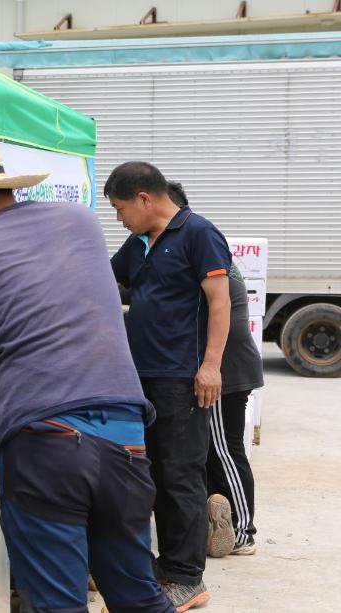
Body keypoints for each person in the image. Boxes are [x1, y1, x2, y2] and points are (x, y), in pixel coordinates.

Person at [0, 130, 174, 613]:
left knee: (58, 605)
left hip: (44, 447)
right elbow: (56, 302)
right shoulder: (80, 223)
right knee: (138, 598)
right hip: (127, 436)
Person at [107, 163, 232, 611]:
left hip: (184, 377)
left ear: (144, 198)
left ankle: (186, 576)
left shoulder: (198, 233)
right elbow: (107, 281)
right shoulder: (139, 242)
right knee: (152, 472)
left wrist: (211, 367)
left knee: (181, 474)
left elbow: (220, 303)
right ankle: (166, 563)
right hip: (140, 377)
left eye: (121, 209)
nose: (120, 218)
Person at [168, 181, 262, 558]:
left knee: (223, 449)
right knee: (211, 451)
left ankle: (242, 530)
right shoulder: (204, 249)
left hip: (227, 368)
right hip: (227, 364)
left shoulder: (197, 246)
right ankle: (216, 520)